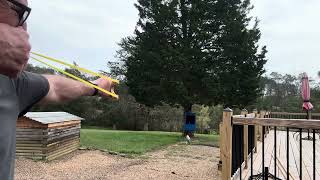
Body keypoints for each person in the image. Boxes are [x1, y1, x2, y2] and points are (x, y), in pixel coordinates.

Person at [0, 0, 116, 179]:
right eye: (19, 11)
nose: (24, 27)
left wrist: (94, 88)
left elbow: (55, 87)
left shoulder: (11, 83)